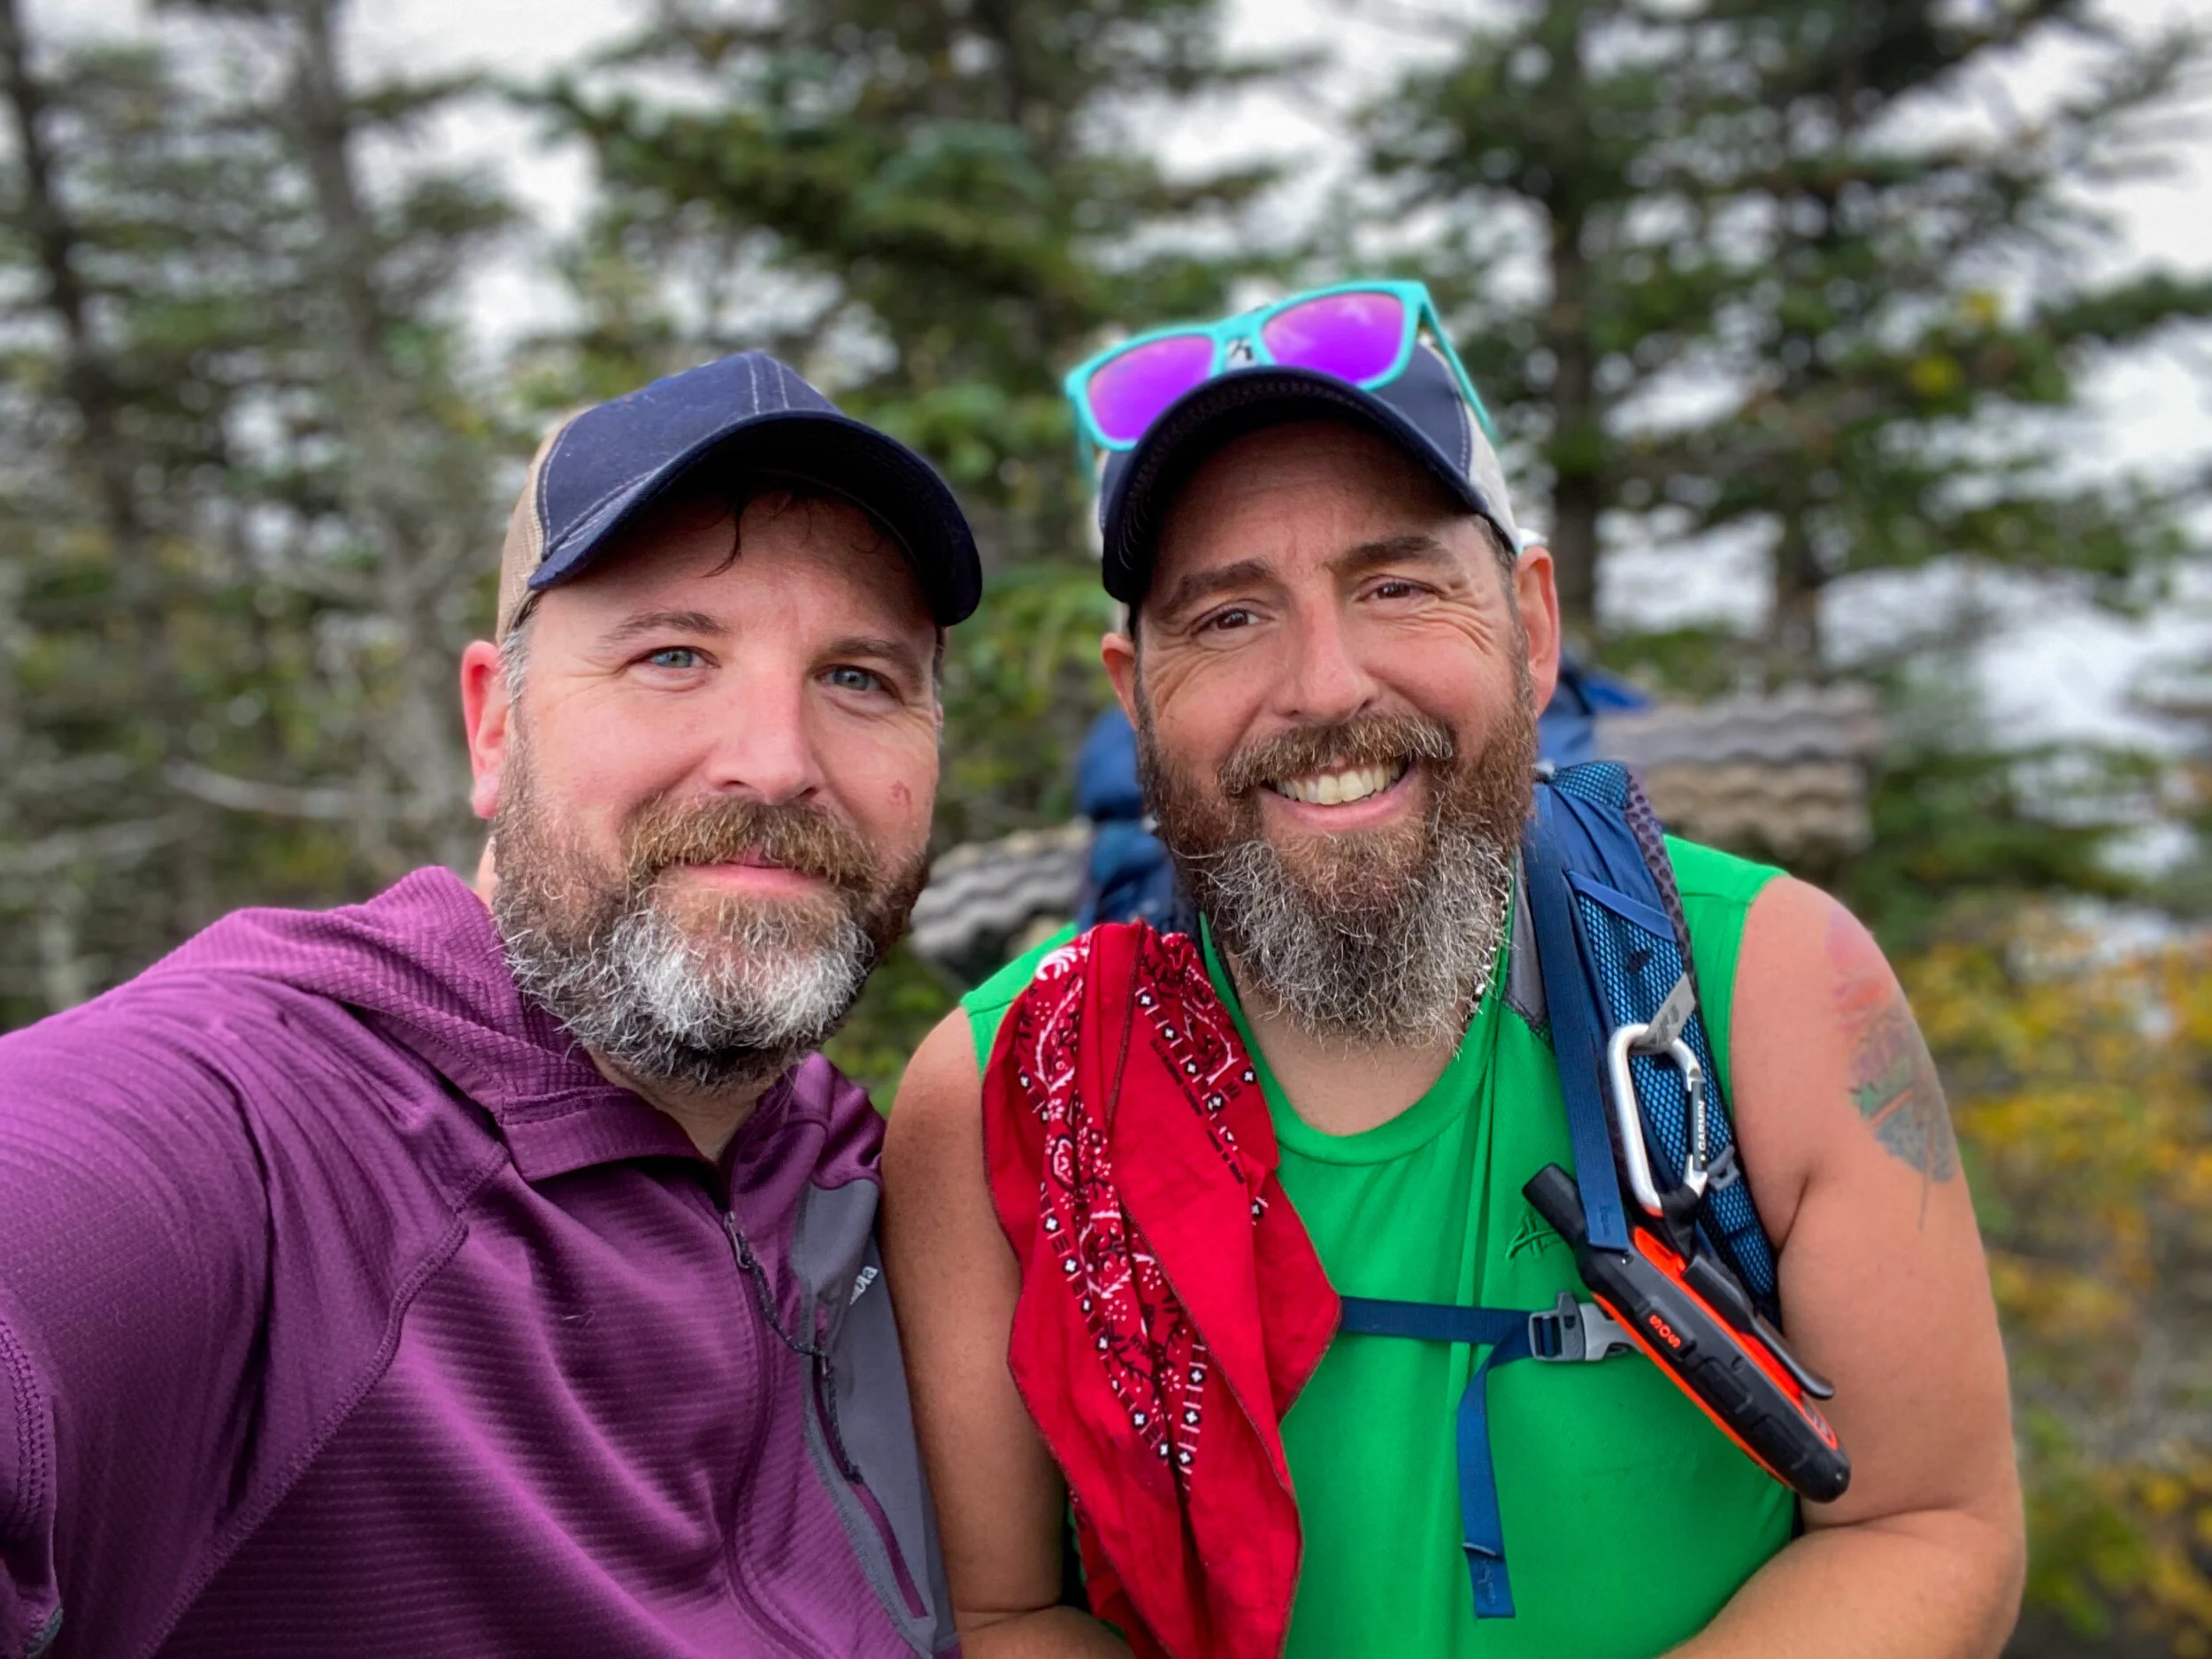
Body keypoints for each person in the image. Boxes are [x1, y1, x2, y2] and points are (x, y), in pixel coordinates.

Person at [882, 283, 2025, 1658]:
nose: (1325, 686)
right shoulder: (1003, 1091)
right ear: (1136, 696)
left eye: (1396, 585)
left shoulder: (1764, 988)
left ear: (1532, 627)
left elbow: (1930, 1525)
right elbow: (1006, 1612)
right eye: (1229, 616)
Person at [0, 350, 973, 1658]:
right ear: (494, 730)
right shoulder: (279, 1133)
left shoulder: (879, 1175)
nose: (775, 761)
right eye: (673, 653)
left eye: (859, 678)